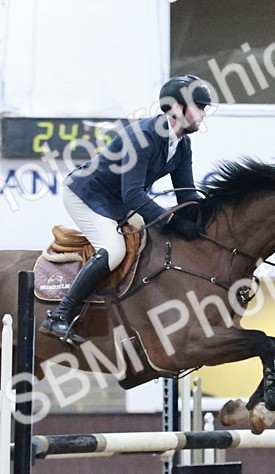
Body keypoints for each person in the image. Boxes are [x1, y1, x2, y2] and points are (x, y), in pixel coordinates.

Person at [40, 74, 212, 344]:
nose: (203, 114)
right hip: (87, 195)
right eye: (199, 107)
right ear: (178, 108)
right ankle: (58, 315)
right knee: (114, 249)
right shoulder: (142, 136)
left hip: (119, 201)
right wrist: (173, 221)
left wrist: (209, 216)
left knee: (157, 239)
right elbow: (133, 194)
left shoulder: (182, 144)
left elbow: (186, 193)